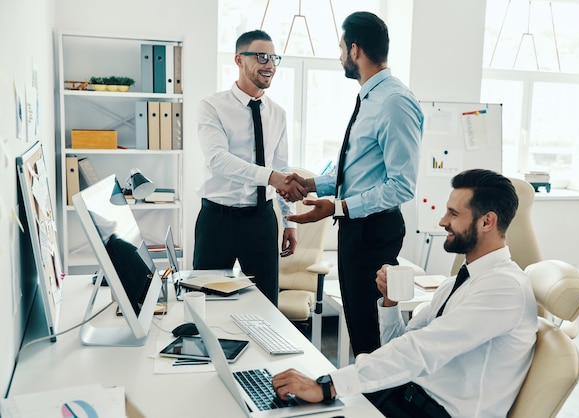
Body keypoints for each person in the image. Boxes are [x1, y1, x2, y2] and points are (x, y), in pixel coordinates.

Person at [272, 169, 538, 418]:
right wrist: (390, 304)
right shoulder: (457, 282)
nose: (443, 221)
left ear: (487, 221)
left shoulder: (503, 288)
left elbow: (422, 349)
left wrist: (329, 386)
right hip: (405, 395)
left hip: (434, 411)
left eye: (454, 214)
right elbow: (402, 343)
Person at [281, 11, 423, 356]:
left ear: (355, 50)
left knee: (372, 334)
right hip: (357, 229)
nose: (340, 55)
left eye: (341, 47)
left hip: (374, 231)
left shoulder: (394, 102)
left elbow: (402, 186)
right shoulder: (370, 97)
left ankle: (380, 405)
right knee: (360, 327)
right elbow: (357, 174)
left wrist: (339, 207)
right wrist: (311, 184)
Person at [193, 30, 306, 306]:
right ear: (239, 60)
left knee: (266, 303)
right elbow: (218, 160)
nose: (269, 65)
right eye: (261, 56)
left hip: (261, 220)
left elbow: (281, 166)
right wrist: (272, 177)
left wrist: (288, 219)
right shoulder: (212, 106)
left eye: (273, 58)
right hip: (217, 220)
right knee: (205, 301)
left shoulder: (277, 113)